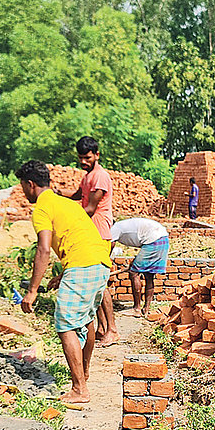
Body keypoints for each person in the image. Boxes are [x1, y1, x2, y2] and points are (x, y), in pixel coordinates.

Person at [17, 160, 113, 405]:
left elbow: (43, 249)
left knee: (65, 324)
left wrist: (32, 290)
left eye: (22, 186)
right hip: (99, 262)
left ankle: (80, 389)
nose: (23, 191)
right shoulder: (66, 203)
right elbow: (81, 238)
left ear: (30, 184)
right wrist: (64, 275)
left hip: (83, 264)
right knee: (86, 319)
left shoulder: (42, 208)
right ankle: (85, 373)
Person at [68, 136, 119, 346]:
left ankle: (113, 330)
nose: (83, 162)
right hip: (91, 233)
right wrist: (52, 195)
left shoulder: (100, 177)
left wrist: (67, 219)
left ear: (97, 155)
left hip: (100, 233)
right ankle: (101, 327)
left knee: (100, 283)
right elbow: (77, 196)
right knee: (94, 283)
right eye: (80, 158)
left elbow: (89, 209)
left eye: (87, 157)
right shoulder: (87, 177)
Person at [110, 217, 170, 317]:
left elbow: (110, 246)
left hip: (153, 239)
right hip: (162, 238)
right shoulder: (121, 225)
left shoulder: (113, 228)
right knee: (149, 275)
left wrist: (105, 262)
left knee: (133, 273)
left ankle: (136, 309)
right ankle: (146, 309)